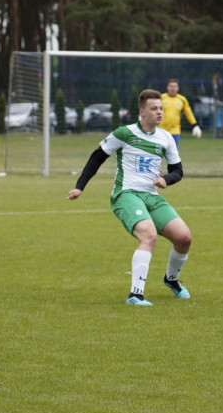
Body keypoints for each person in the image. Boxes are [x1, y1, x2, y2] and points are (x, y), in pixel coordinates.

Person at [68, 89, 193, 306]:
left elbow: (177, 171)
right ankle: (135, 295)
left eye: (161, 108)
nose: (160, 112)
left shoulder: (165, 138)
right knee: (148, 235)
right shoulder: (124, 133)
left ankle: (171, 279)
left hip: (152, 197)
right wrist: (80, 187)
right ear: (142, 111)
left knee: (184, 238)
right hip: (126, 194)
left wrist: (166, 180)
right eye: (154, 108)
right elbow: (97, 157)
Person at [160, 78, 201, 148]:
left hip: (175, 131)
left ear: (178, 88)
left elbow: (188, 113)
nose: (173, 88)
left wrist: (195, 125)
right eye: (171, 86)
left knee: (173, 154)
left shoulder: (182, 99)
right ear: (167, 87)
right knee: (159, 153)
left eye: (175, 86)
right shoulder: (161, 98)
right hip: (161, 130)